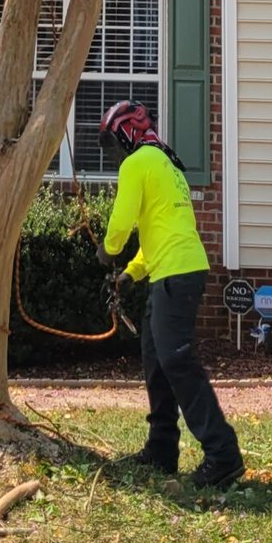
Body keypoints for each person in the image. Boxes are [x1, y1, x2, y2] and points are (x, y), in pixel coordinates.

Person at [101, 98, 245, 489]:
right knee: (156, 360)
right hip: (177, 269)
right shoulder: (167, 164)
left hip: (175, 276)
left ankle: (223, 456)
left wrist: (109, 251)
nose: (114, 155)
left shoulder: (138, 164)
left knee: (177, 362)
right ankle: (162, 449)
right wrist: (131, 273)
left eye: (113, 143)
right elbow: (163, 230)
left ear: (127, 134)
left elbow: (122, 222)